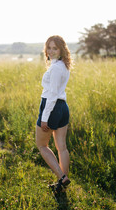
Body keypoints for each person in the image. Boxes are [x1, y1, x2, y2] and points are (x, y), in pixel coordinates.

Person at [36, 35, 73, 195]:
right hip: (62, 107)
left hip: (52, 108)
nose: (50, 51)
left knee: (42, 145)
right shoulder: (61, 65)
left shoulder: (57, 68)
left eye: (54, 48)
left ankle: (62, 177)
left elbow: (51, 95)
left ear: (61, 50)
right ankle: (62, 182)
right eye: (49, 47)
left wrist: (45, 118)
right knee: (61, 147)